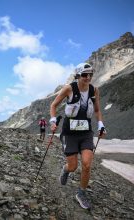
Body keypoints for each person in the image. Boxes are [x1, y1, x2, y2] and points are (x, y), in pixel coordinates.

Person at [49, 62, 106, 209]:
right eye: (84, 75)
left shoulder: (94, 90)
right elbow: (53, 105)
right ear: (78, 75)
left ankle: (81, 193)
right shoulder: (69, 88)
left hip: (86, 132)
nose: (88, 77)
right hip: (69, 133)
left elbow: (97, 110)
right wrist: (53, 120)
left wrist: (100, 124)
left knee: (87, 164)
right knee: (73, 166)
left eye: (90, 75)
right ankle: (65, 169)